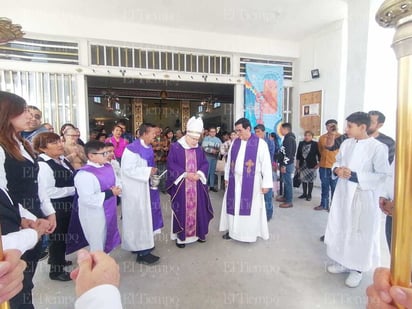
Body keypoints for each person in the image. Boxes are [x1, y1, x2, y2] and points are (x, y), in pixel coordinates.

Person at [0, 91, 56, 309]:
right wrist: (28, 218)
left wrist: (48, 212)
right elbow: (4, 191)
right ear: (6, 113)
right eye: (22, 111)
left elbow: (37, 183)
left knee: (27, 275)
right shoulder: (3, 147)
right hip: (13, 219)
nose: (30, 116)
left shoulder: (23, 143)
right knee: (14, 281)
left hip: (31, 214)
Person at [324, 112, 390, 288]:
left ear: (362, 127)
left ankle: (357, 269)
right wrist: (337, 170)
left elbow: (383, 175)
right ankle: (343, 262)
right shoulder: (346, 143)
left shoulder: (377, 148)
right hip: (344, 193)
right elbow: (336, 162)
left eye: (349, 126)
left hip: (363, 196)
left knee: (359, 231)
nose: (346, 129)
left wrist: (354, 175)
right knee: (343, 225)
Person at [219, 117, 272, 242]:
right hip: (234, 181)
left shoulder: (260, 143)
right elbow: (229, 162)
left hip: (251, 183)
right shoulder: (235, 143)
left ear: (248, 129)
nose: (237, 134)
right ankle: (232, 232)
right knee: (233, 206)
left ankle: (248, 235)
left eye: (240, 131)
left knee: (250, 208)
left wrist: (266, 184)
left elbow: (266, 165)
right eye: (236, 131)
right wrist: (227, 177)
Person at [33, 132, 76, 282]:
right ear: (43, 148)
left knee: (63, 235)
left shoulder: (61, 159)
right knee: (57, 237)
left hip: (67, 204)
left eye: (59, 141)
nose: (59, 144)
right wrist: (74, 189)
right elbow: (48, 191)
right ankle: (56, 271)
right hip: (55, 206)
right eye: (54, 143)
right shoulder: (43, 165)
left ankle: (59, 260)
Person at [166, 116, 214, 248]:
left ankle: (199, 234)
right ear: (187, 135)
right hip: (182, 185)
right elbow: (171, 164)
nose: (195, 142)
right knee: (182, 209)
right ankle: (181, 238)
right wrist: (185, 174)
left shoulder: (199, 148)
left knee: (199, 208)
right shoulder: (176, 147)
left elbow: (204, 163)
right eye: (193, 139)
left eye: (197, 139)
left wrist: (199, 174)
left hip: (197, 185)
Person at [121, 123, 163, 265]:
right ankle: (142, 253)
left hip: (146, 188)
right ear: (144, 134)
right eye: (153, 133)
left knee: (146, 218)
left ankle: (142, 245)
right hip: (136, 191)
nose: (155, 136)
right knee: (139, 220)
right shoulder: (132, 149)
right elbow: (127, 170)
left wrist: (151, 173)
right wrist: (147, 172)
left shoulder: (148, 147)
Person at [73, 140, 122, 253]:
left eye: (108, 152)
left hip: (110, 209)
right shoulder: (84, 174)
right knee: (97, 242)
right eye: (104, 153)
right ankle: (97, 267)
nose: (108, 155)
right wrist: (110, 193)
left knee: (107, 238)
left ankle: (105, 264)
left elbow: (117, 181)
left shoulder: (108, 166)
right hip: (94, 215)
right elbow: (87, 199)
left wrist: (119, 188)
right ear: (91, 156)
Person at [315, 119, 341, 211]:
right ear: (326, 127)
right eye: (328, 125)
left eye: (332, 125)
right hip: (323, 166)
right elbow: (320, 151)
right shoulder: (322, 138)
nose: (330, 127)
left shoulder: (341, 137)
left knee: (334, 187)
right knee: (324, 186)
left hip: (335, 167)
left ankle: (333, 206)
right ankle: (323, 204)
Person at [254, 124, 275, 221]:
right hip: (257, 171)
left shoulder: (269, 142)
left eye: (258, 132)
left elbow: (268, 158)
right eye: (255, 132)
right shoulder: (254, 142)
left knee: (267, 194)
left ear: (263, 132)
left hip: (266, 170)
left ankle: (268, 215)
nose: (256, 134)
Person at [296, 131, 320, 201]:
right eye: (306, 135)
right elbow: (298, 155)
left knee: (310, 180)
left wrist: (318, 164)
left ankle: (309, 195)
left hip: (312, 165)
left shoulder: (315, 144)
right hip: (302, 165)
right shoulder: (301, 143)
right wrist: (297, 164)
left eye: (309, 135)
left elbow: (319, 155)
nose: (307, 137)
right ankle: (304, 194)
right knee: (303, 179)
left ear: (312, 136)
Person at [276, 123, 297, 208]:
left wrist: (284, 165)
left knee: (288, 182)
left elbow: (288, 154)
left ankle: (289, 201)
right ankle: (285, 197)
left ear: (286, 129)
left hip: (287, 164)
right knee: (285, 181)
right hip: (285, 163)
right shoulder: (287, 138)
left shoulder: (289, 139)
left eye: (281, 129)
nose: (280, 131)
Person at [201, 126, 222, 192]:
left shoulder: (218, 139)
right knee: (207, 171)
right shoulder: (206, 139)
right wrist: (212, 151)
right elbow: (204, 147)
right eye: (211, 132)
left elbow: (221, 147)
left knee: (212, 172)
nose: (213, 133)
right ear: (209, 132)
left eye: (214, 132)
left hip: (215, 157)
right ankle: (205, 186)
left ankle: (212, 186)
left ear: (216, 132)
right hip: (208, 157)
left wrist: (218, 151)